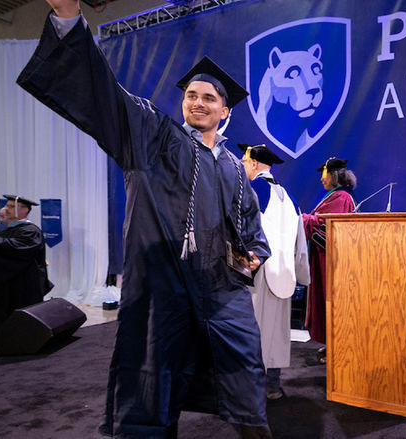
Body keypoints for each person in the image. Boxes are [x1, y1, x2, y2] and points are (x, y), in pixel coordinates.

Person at [17, 2, 272, 438]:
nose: (198, 102)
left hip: (221, 290)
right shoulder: (154, 135)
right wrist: (67, 19)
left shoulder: (233, 166)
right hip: (162, 288)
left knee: (245, 373)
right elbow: (107, 97)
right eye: (191, 95)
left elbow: (251, 230)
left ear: (225, 111)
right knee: (153, 381)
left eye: (210, 97)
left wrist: (253, 257)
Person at [239, 143, 310, 400]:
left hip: (254, 276)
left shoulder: (250, 190)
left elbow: (239, 232)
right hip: (283, 278)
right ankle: (272, 387)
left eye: (244, 160)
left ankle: (248, 391)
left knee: (250, 332)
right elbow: (300, 245)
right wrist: (302, 274)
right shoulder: (291, 200)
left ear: (255, 163)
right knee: (276, 334)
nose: (242, 164)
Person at [301, 157, 356, 361]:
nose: (321, 180)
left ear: (333, 175)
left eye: (324, 175)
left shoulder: (341, 197)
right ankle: (333, 343)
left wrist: (302, 218)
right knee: (327, 300)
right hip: (325, 258)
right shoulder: (337, 196)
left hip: (333, 261)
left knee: (333, 300)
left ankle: (338, 348)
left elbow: (327, 225)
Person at [0, 195, 53, 332]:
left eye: (11, 206)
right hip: (8, 283)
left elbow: (14, 248)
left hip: (25, 284)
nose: (6, 209)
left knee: (22, 321)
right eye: (6, 206)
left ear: (25, 210)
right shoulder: (8, 230)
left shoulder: (31, 231)